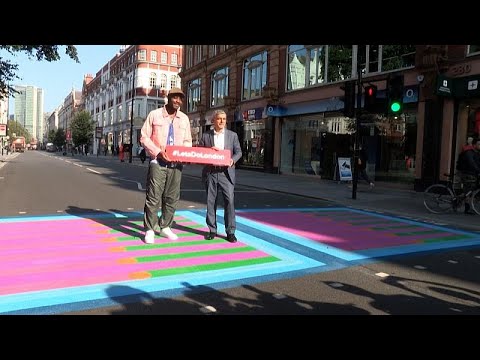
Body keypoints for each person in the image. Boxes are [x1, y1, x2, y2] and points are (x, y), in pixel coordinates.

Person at [140, 87, 192, 243]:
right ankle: (150, 229)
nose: (178, 101)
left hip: (176, 164)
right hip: (158, 161)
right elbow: (143, 137)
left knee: (172, 197)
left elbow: (187, 141)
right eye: (175, 98)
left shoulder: (184, 119)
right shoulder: (154, 115)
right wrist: (157, 151)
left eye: (180, 99)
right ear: (168, 98)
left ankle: (165, 227)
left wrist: (185, 154)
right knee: (153, 197)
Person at [199, 110, 242, 243]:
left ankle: (230, 232)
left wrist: (232, 160)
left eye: (224, 119)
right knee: (211, 202)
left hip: (226, 173)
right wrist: (208, 151)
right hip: (211, 172)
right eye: (219, 119)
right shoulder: (206, 136)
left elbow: (238, 152)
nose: (222, 121)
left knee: (229, 202)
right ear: (214, 121)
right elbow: (199, 151)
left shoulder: (232, 135)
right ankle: (212, 230)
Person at [457, 138, 480, 214]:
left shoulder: (476, 152)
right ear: (474, 145)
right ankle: (466, 208)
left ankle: (459, 200)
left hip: (472, 174)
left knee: (469, 191)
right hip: (467, 174)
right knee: (468, 190)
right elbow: (472, 163)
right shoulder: (469, 152)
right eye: (479, 144)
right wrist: (478, 170)